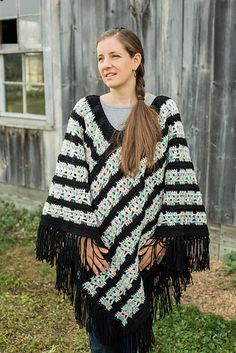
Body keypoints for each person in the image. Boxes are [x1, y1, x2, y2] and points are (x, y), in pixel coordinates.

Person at [36, 27, 210, 353]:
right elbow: (71, 178)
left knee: (134, 343)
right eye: (101, 58)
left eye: (115, 55)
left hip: (142, 250)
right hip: (97, 252)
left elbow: (177, 179)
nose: (106, 64)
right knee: (100, 342)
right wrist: (82, 237)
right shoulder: (85, 112)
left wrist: (163, 240)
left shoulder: (162, 111)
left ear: (135, 60)